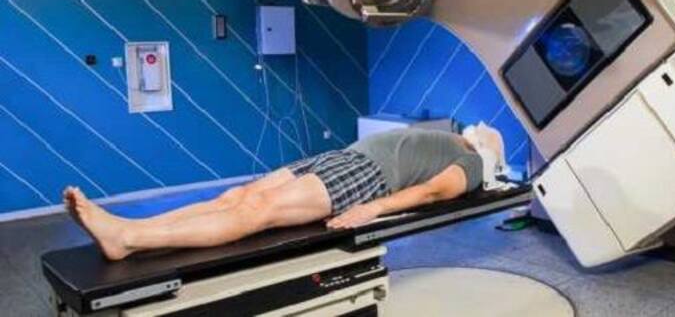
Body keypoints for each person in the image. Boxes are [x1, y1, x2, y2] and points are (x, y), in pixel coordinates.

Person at [64, 124, 505, 261]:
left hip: (366, 175)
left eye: (481, 132)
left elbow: (432, 192)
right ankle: (128, 226)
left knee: (257, 210)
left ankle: (130, 239)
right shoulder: (452, 137)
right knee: (236, 195)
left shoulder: (473, 164)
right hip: (341, 157)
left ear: (486, 148)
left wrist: (373, 208)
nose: (476, 129)